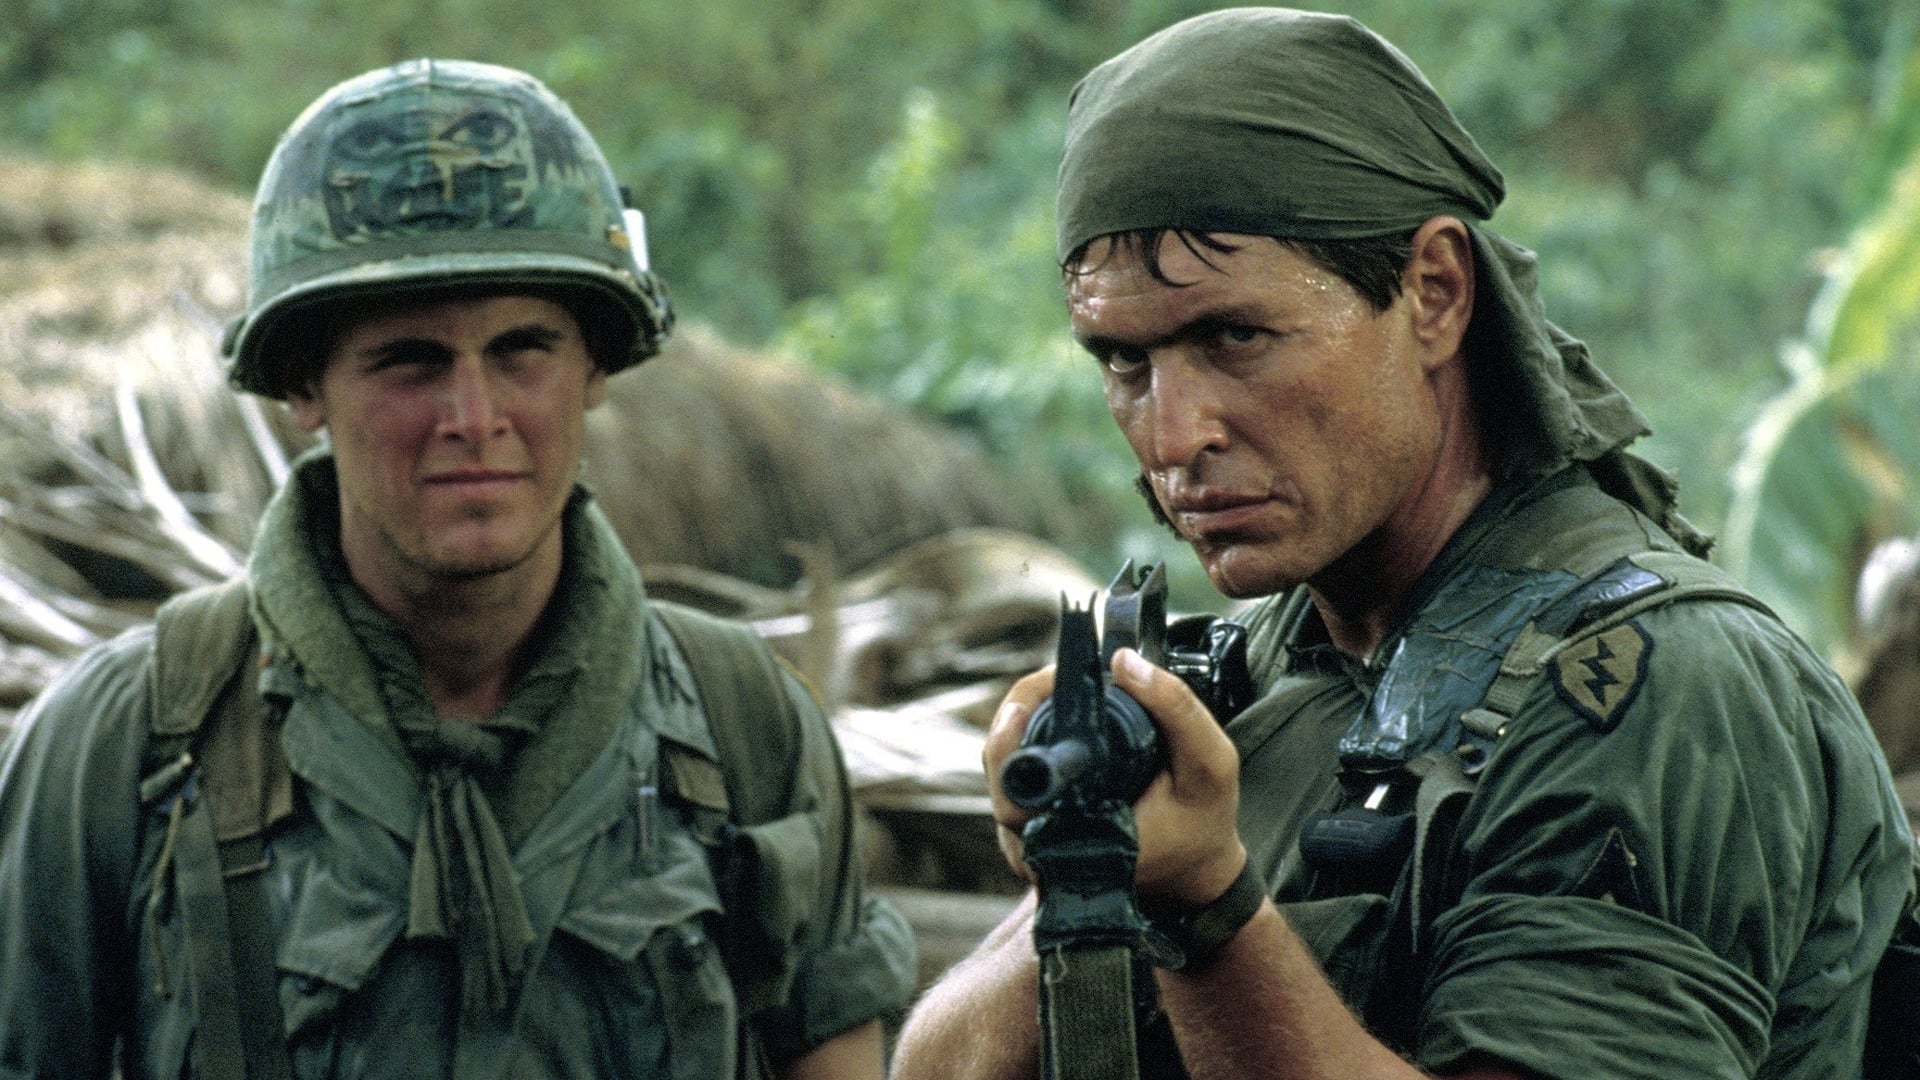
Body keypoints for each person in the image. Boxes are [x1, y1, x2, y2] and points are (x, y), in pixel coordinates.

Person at [892, 9, 1916, 1080]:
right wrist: (1085, 870)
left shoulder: (1656, 694)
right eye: (1123, 363)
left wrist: (1205, 912)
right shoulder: (1268, 665)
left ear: (1434, 294)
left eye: (1235, 336)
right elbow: (936, 1069)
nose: (1173, 435)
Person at [0, 59, 914, 1079]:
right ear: (303, 386)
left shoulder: (740, 725)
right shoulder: (129, 743)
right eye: (410, 361)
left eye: (522, 350)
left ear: (595, 369)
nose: (474, 418)